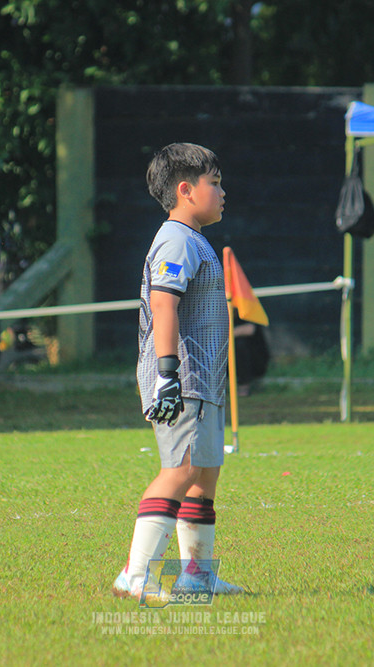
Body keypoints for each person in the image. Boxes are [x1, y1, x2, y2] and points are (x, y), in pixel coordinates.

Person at [112, 142, 243, 599]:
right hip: (182, 379)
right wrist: (167, 375)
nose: (223, 191)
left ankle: (196, 578)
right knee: (181, 470)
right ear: (186, 189)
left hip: (202, 381)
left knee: (203, 474)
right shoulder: (175, 239)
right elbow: (165, 304)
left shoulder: (194, 239)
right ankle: (134, 576)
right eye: (216, 182)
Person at [232, 310, 269, 397]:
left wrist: (227, 334)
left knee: (240, 344)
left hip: (255, 361)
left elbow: (250, 329)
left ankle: (244, 385)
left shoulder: (246, 307)